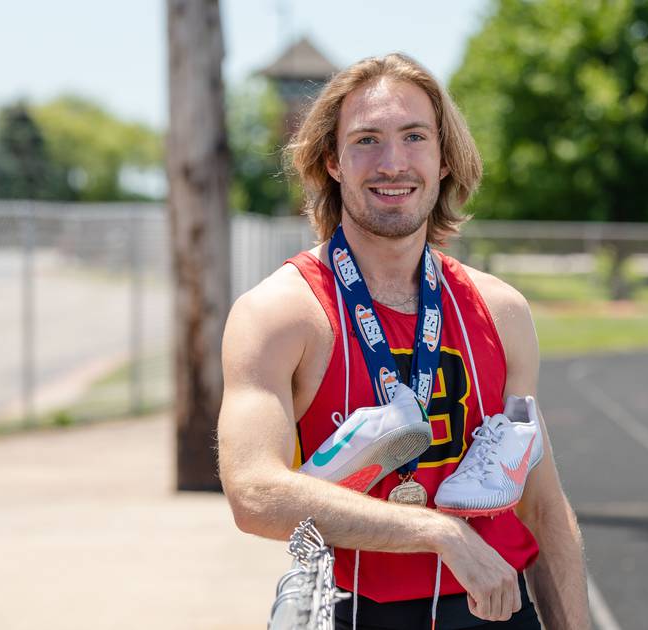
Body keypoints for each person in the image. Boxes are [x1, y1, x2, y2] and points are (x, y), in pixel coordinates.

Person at [218, 53, 589, 629]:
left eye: (414, 136)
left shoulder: (501, 311)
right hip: (356, 612)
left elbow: (541, 506)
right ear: (332, 162)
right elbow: (254, 493)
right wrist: (438, 534)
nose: (393, 163)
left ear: (444, 160)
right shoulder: (279, 313)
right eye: (366, 140)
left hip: (493, 610)